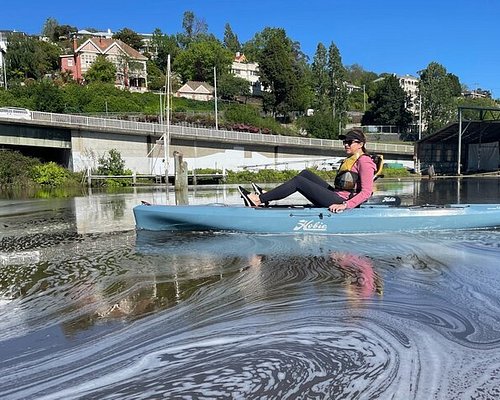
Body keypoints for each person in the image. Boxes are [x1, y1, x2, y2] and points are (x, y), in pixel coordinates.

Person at [239, 128, 377, 213]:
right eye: (344, 142)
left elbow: (366, 192)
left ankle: (259, 200)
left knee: (299, 182)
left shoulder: (364, 161)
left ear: (361, 144)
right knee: (305, 174)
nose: (346, 144)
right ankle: (269, 194)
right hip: (337, 195)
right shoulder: (352, 158)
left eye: (349, 142)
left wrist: (345, 206)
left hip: (342, 200)